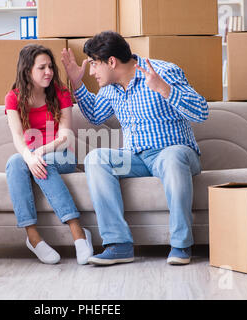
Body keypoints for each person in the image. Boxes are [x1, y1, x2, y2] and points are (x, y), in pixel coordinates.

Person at [61, 31, 208, 266]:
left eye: (93, 64)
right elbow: (96, 116)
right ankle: (119, 244)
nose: (91, 72)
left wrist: (164, 89)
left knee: (171, 157)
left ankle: (181, 245)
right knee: (96, 158)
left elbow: (202, 112)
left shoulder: (163, 71)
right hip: (136, 158)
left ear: (111, 62)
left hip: (173, 152)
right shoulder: (110, 88)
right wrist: (77, 84)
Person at [5, 44, 93, 265]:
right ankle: (33, 238)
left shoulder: (61, 93)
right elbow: (17, 136)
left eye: (50, 66)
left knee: (42, 161)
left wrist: (39, 152)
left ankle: (79, 233)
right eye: (41, 67)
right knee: (15, 163)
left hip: (61, 153)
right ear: (27, 71)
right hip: (32, 154)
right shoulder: (13, 98)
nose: (49, 72)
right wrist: (28, 156)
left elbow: (65, 135)